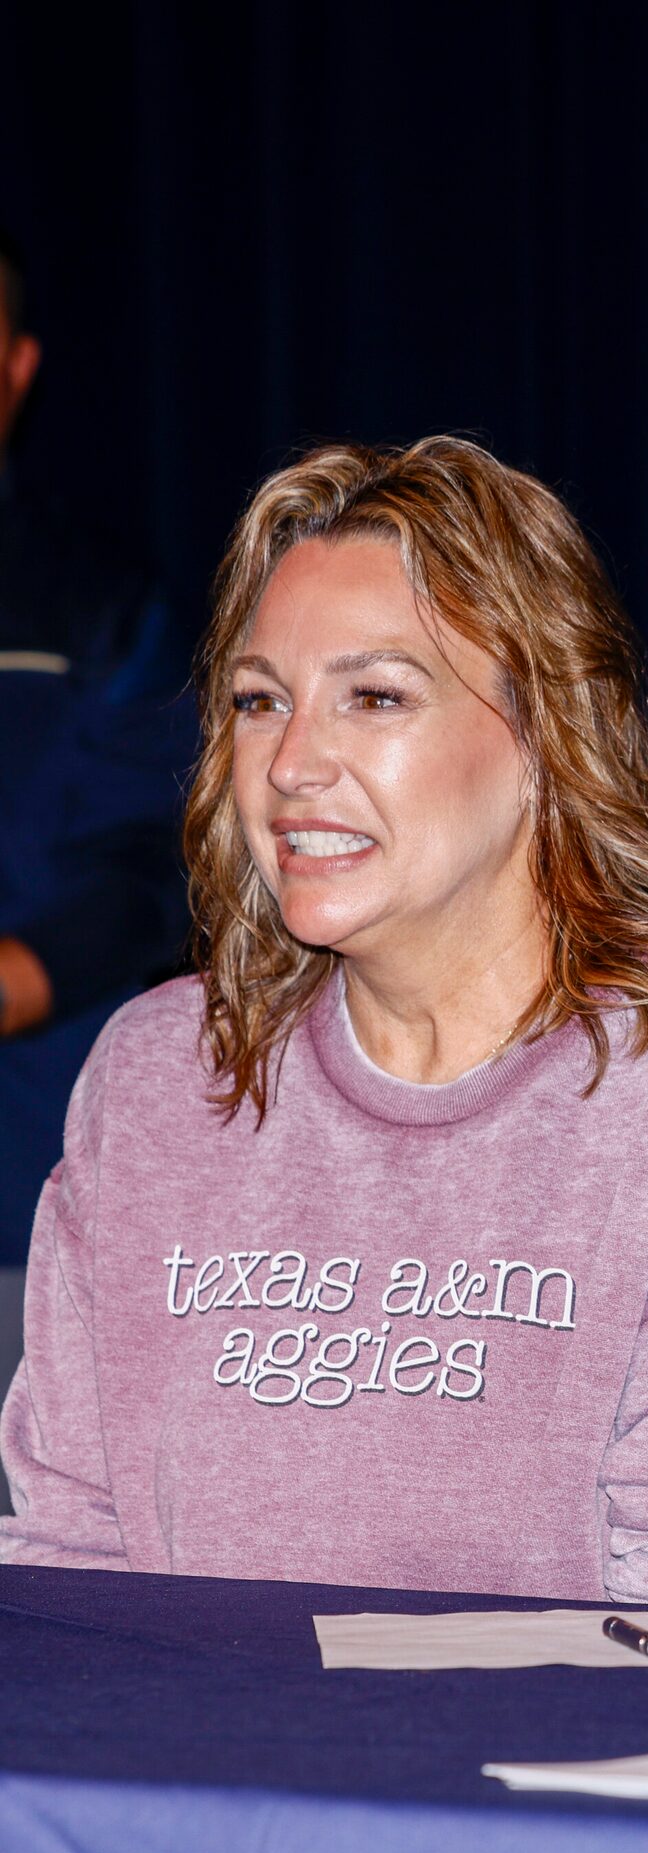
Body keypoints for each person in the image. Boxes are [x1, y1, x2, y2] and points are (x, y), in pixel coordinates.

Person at [0, 436, 648, 1611]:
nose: (290, 764)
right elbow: (70, 1562)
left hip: (545, 1785)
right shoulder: (159, 1075)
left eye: (375, 696)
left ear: (546, 733)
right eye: (259, 701)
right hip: (197, 1784)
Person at [0, 226, 190, 1258]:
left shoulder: (102, 607)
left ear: (17, 367)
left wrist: (24, 974)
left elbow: (162, 864)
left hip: (27, 1194)